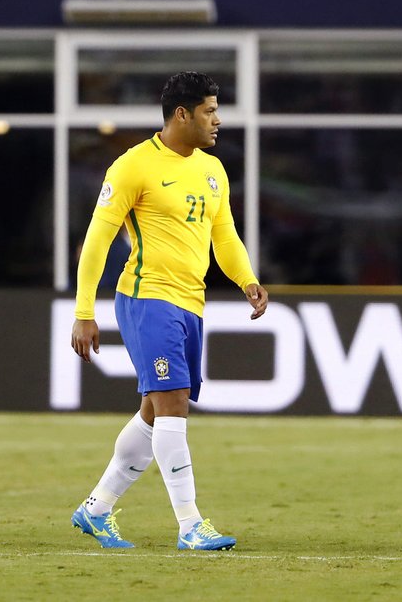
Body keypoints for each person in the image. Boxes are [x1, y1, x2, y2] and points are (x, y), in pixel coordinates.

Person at [69, 72, 268, 551]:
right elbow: (97, 241)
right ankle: (190, 524)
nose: (217, 120)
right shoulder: (132, 167)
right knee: (174, 401)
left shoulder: (212, 170)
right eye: (209, 111)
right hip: (147, 298)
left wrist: (247, 279)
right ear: (182, 114)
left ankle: (95, 509)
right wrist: (83, 311)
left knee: (155, 412)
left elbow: (224, 235)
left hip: (189, 303)